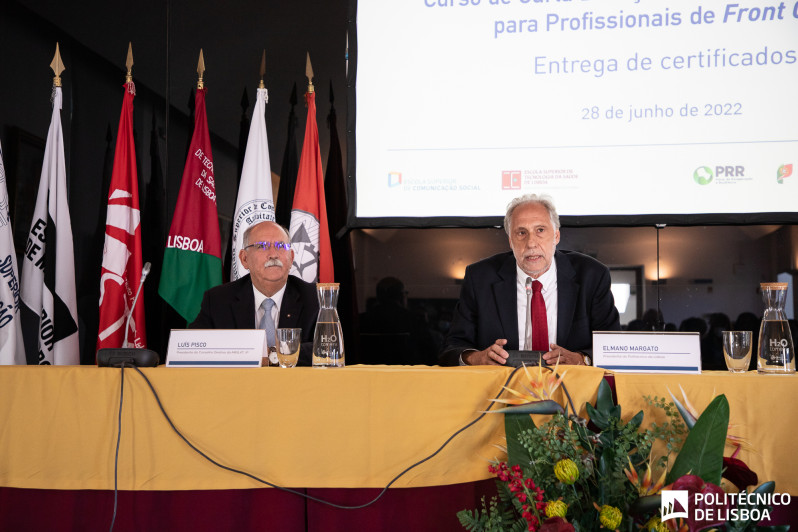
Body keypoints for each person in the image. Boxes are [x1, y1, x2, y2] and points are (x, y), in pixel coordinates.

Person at [439, 194, 620, 366]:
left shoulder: (592, 275)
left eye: (540, 230)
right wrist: (476, 358)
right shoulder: (480, 278)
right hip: (500, 390)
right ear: (511, 241)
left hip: (573, 390)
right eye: (521, 233)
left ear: (556, 236)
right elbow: (453, 347)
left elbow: (614, 346)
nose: (531, 243)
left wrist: (582, 359)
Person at [190, 221, 319, 365]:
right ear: (244, 258)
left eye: (281, 246)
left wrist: (272, 355)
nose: (273, 254)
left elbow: (328, 348)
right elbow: (195, 348)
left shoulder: (316, 299)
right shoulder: (218, 300)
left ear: (291, 257)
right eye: (262, 246)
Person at [358, 276, 438, 365]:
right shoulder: (413, 320)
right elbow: (429, 354)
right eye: (405, 293)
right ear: (401, 295)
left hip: (368, 373)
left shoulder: (361, 320)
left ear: (378, 296)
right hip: (406, 373)